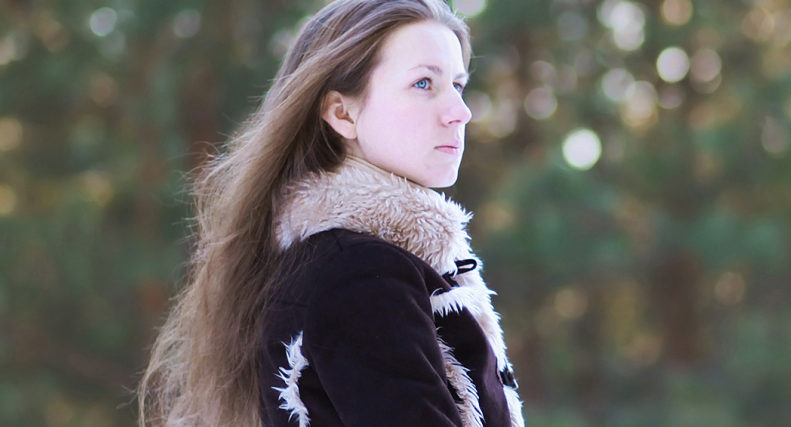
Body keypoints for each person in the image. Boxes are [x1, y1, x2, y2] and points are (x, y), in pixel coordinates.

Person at [137, 0, 522, 426]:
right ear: (341, 112)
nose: (460, 112)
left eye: (458, 85)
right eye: (423, 84)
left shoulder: (338, 263)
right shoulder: (360, 276)